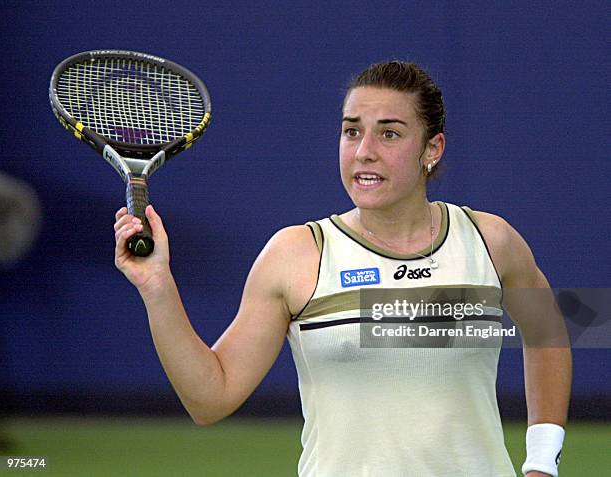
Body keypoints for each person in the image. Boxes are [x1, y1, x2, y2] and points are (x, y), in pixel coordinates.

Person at [113, 61, 571, 477]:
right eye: (352, 131)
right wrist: (158, 287)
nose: (364, 151)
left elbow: (551, 330)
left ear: (432, 148)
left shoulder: (491, 241)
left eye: (389, 133)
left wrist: (542, 461)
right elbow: (210, 398)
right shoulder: (296, 254)